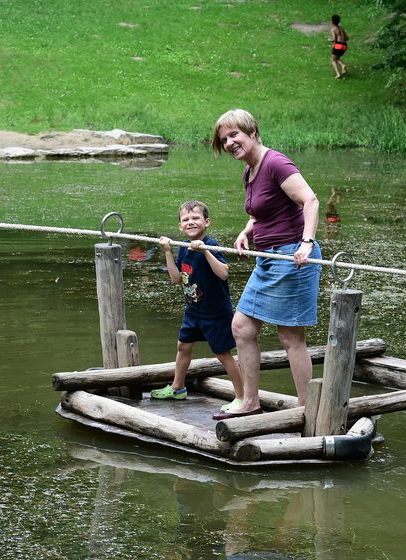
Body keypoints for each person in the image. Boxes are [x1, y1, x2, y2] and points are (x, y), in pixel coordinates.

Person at [210, 109, 321, 420]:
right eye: (224, 139)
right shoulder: (250, 170)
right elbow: (263, 208)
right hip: (268, 258)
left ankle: (306, 410)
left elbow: (310, 200)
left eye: (235, 135)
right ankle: (250, 402)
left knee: (290, 337)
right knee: (242, 327)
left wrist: (307, 243)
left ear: (253, 133)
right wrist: (249, 230)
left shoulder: (275, 162)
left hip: (293, 258)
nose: (230, 142)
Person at [151, 200, 244, 412]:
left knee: (223, 354)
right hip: (193, 310)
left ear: (207, 222)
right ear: (180, 226)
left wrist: (205, 252)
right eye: (186, 219)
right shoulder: (183, 248)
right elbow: (177, 280)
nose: (190, 222)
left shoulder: (211, 244)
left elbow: (224, 273)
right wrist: (167, 252)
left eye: (195, 218)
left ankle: (241, 396)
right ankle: (177, 387)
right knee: (183, 346)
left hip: (215, 313)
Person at [329, 14, 348, 79]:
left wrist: (330, 40)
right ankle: (343, 65)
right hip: (344, 46)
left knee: (332, 60)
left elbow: (334, 39)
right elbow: (347, 38)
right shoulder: (341, 28)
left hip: (338, 45)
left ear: (332, 21)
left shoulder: (333, 29)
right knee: (336, 58)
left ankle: (338, 74)